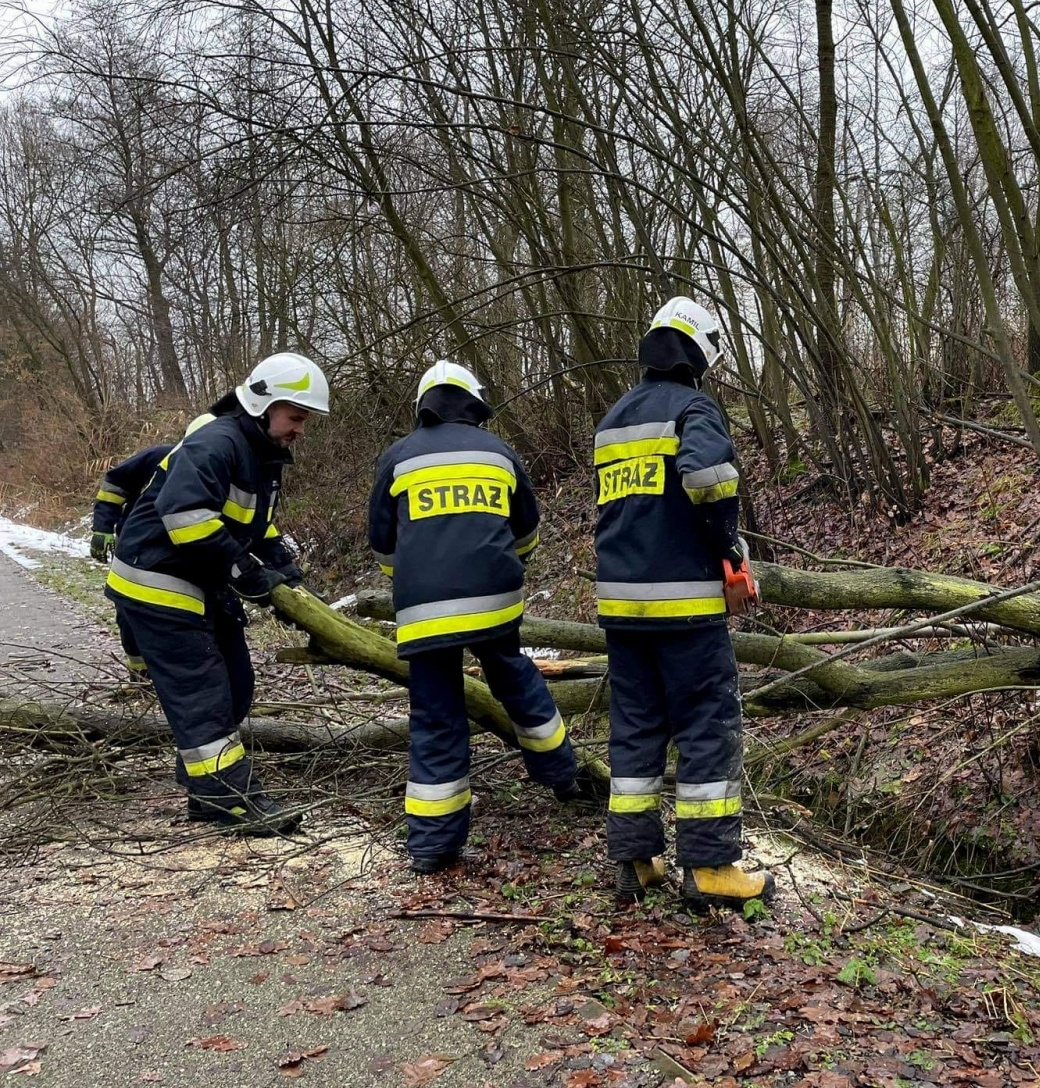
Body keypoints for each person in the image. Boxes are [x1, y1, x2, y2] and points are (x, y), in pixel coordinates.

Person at [368, 361, 598, 875]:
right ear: (475, 404)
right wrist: (504, 566)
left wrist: (415, 573)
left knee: (435, 715)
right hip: (495, 600)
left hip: (422, 610)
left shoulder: (397, 458)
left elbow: (383, 546)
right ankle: (563, 775)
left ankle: (432, 845)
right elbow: (527, 533)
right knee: (515, 677)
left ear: (423, 407)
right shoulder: (499, 453)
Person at [593, 296, 773, 911]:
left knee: (636, 728)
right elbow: (708, 479)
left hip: (620, 606)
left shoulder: (615, 418)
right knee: (706, 727)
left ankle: (637, 859)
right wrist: (727, 542)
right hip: (685, 606)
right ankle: (712, 866)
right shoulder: (695, 407)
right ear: (698, 352)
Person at [105, 354, 325, 834]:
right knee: (202, 694)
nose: (299, 430)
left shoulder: (259, 454)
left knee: (237, 684)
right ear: (265, 405)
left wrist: (286, 570)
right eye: (296, 418)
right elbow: (184, 515)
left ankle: (205, 792)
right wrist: (244, 570)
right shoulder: (217, 442)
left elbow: (255, 523)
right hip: (158, 580)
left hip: (200, 579)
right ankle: (231, 802)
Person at [91, 414, 216, 675]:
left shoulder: (219, 470)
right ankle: (140, 670)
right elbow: (114, 485)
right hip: (135, 547)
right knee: (130, 609)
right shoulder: (159, 456)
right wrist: (102, 527)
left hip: (182, 553)